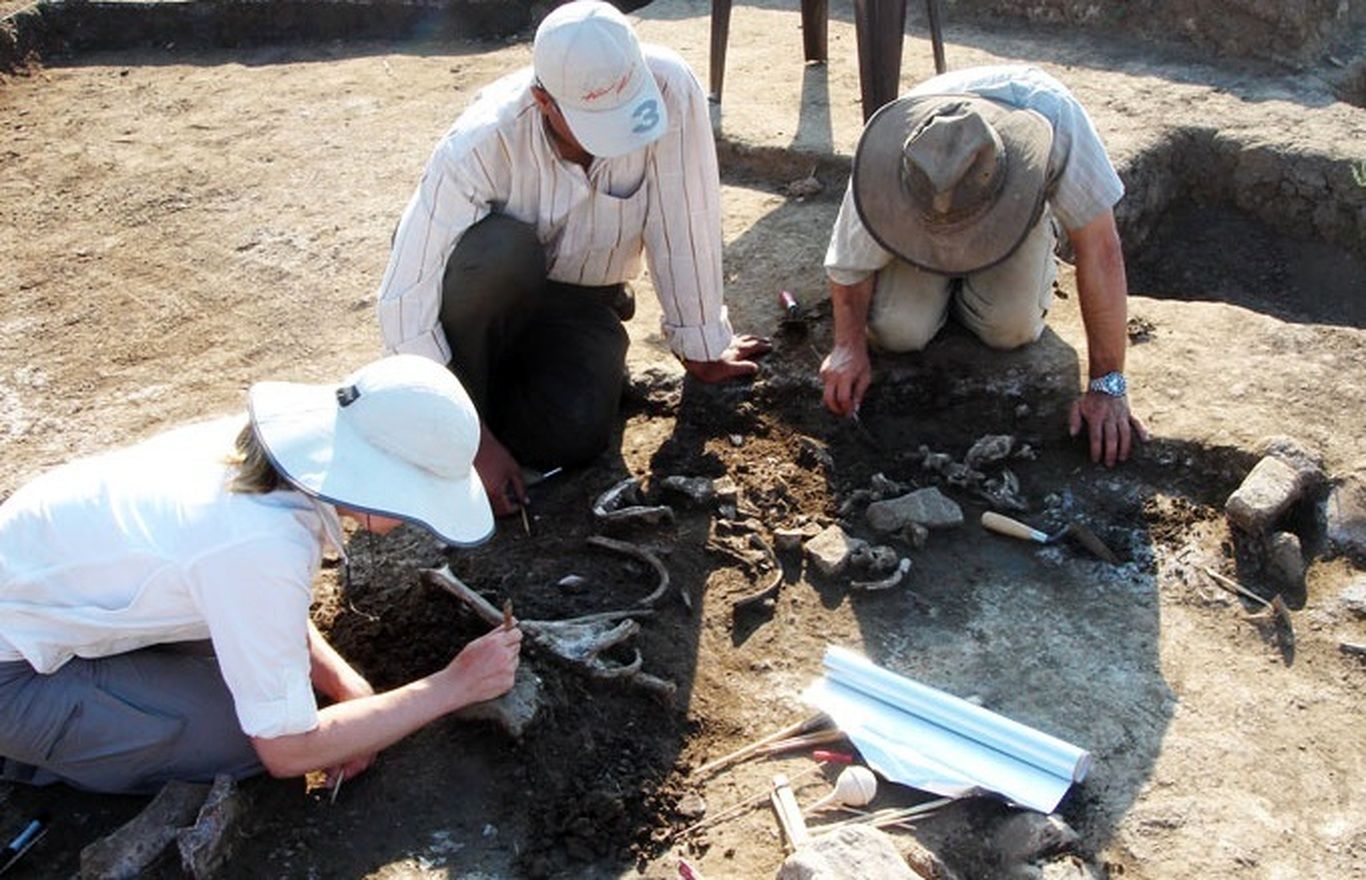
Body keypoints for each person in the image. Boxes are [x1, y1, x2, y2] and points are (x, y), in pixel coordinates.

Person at [0, 355, 522, 795]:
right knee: (237, 738)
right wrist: (454, 685)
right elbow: (287, 751)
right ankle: (37, 755)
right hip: (16, 674)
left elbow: (256, 591)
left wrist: (345, 685)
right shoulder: (259, 544)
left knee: (276, 693)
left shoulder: (265, 460)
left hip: (54, 608)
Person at [376, 0, 770, 516]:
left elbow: (686, 213)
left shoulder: (670, 87)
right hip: (482, 300)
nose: (616, 142)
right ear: (544, 100)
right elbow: (404, 305)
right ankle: (451, 417)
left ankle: (491, 409)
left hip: (580, 301)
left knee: (578, 432)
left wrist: (701, 343)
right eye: (596, 122)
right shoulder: (480, 143)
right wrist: (469, 445)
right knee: (501, 253)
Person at [819, 65, 1149, 467]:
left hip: (1012, 217)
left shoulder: (1058, 121)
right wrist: (847, 345)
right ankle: (941, 295)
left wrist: (1107, 383)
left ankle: (977, 291)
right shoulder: (893, 151)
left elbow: (1100, 249)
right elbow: (850, 257)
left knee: (1011, 326)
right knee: (898, 330)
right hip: (919, 229)